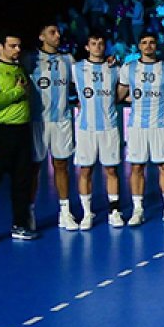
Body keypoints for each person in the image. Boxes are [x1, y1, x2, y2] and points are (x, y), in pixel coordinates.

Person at [0, 33, 38, 248]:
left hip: (20, 132)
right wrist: (16, 92)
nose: (17, 50)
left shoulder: (20, 68)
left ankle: (20, 225)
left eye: (19, 46)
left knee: (21, 182)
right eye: (12, 46)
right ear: (0, 47)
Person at [118, 33, 164, 225]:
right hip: (137, 125)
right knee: (137, 167)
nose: (148, 46)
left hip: (160, 124)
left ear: (156, 46)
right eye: (144, 42)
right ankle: (138, 210)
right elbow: (119, 95)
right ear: (139, 46)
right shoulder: (129, 68)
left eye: (152, 42)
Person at [23, 24, 76, 229]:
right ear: (41, 35)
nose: (58, 35)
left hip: (61, 120)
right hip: (37, 121)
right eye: (52, 32)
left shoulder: (68, 60)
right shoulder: (30, 59)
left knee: (61, 166)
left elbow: (87, 73)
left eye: (58, 32)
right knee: (34, 168)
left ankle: (65, 212)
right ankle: (28, 213)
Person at [72, 34, 123, 229]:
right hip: (86, 128)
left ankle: (114, 211)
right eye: (93, 43)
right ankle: (87, 213)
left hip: (109, 127)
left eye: (101, 43)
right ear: (87, 47)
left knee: (111, 170)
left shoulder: (114, 68)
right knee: (86, 170)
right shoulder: (76, 68)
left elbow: (124, 89)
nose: (97, 47)